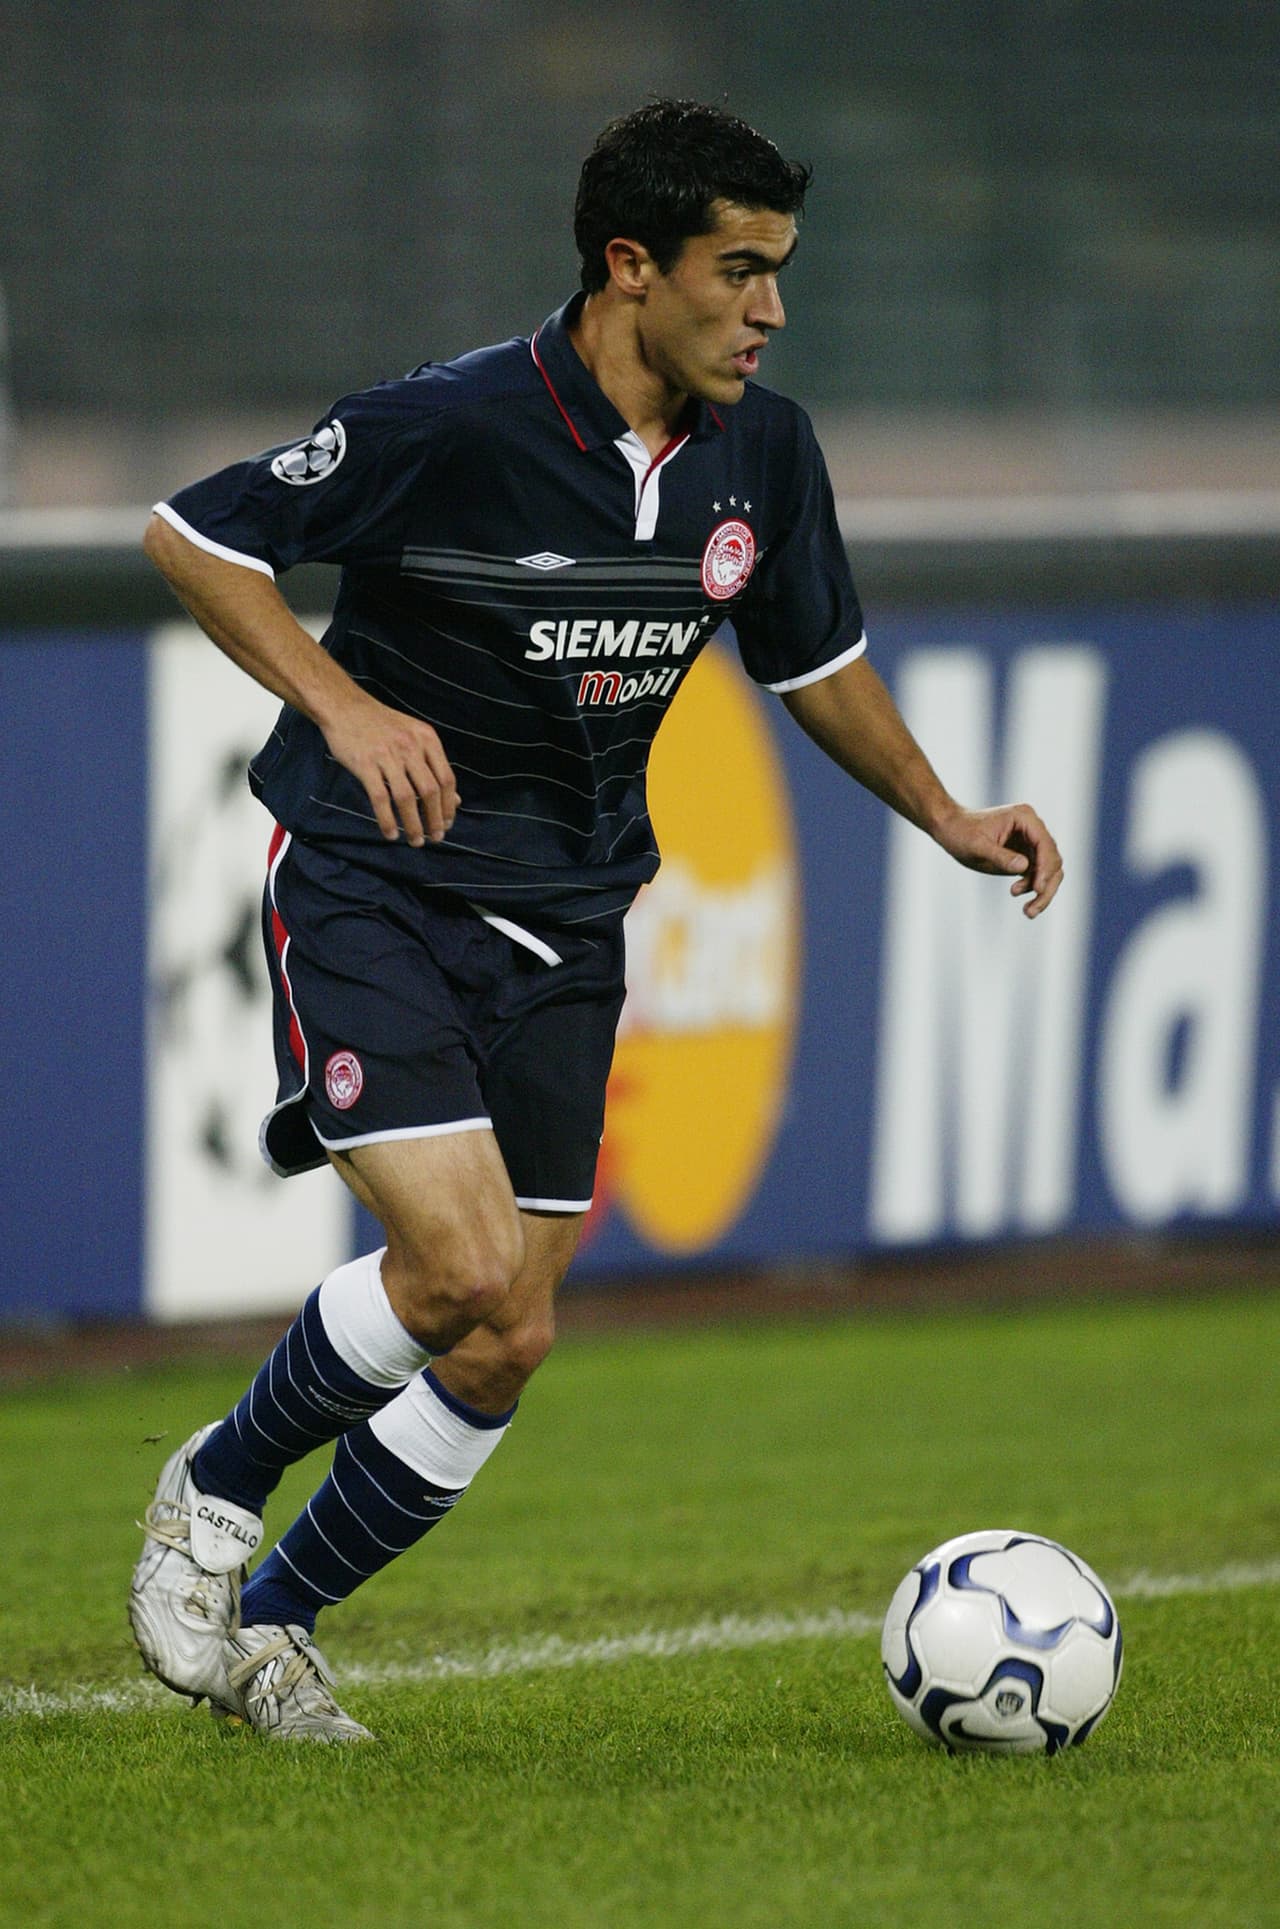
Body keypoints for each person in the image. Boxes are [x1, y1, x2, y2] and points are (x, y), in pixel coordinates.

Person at [132, 98, 1063, 1744]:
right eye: (741, 269)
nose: (772, 308)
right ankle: (214, 1484)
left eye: (781, 269)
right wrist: (346, 705)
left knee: (508, 1335)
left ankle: (274, 1625)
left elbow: (815, 661)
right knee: (458, 1264)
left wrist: (944, 810)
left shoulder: (763, 455)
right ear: (632, 266)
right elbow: (195, 537)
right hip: (377, 879)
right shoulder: (454, 423)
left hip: (570, 922)